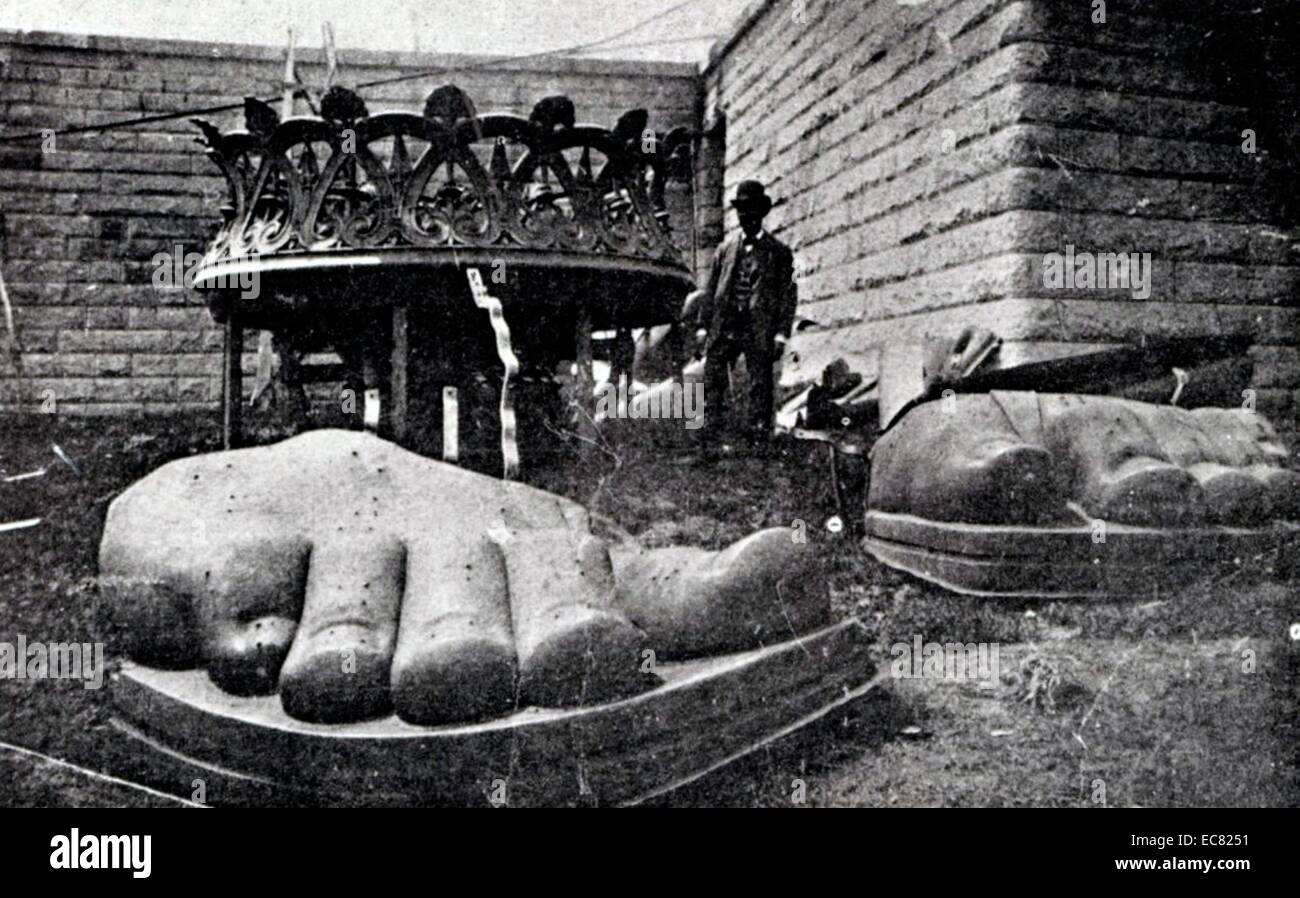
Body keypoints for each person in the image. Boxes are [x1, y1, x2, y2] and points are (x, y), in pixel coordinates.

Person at [693, 180, 797, 451]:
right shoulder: (724, 251)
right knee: (712, 378)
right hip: (725, 326)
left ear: (761, 213)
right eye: (741, 211)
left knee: (759, 385)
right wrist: (703, 327)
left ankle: (757, 444)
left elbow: (787, 296)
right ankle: (711, 443)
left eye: (751, 210)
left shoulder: (779, 253)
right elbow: (711, 289)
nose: (746, 216)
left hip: (757, 328)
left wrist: (781, 334)